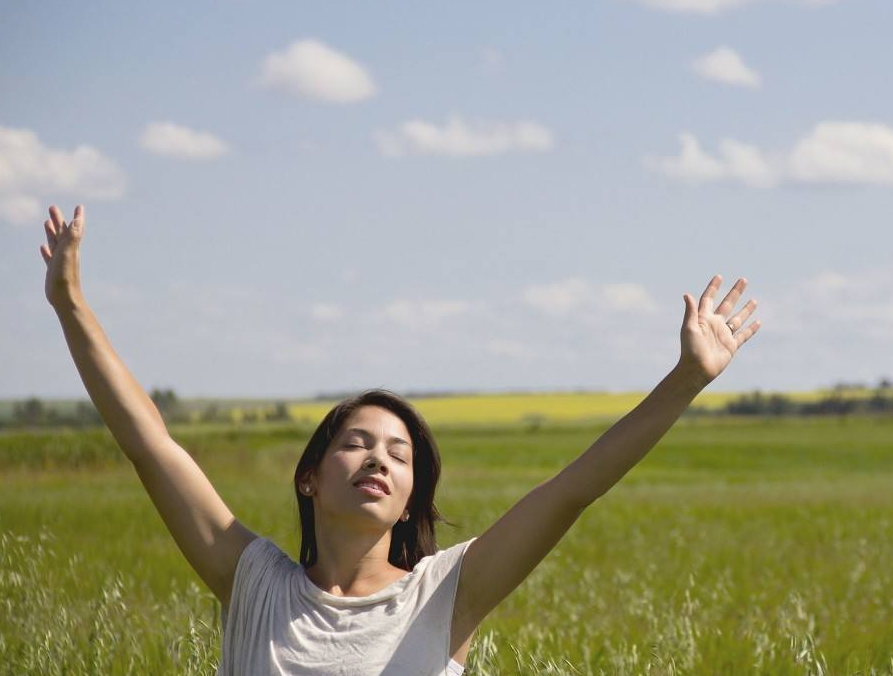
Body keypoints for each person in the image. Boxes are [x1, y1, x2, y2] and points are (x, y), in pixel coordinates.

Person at [40, 203, 761, 675]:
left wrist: (685, 380)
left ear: (413, 492)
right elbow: (153, 445)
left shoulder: (449, 592)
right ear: (310, 477)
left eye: (399, 452)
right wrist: (71, 305)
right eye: (356, 443)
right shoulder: (250, 581)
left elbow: (574, 488)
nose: (379, 457)